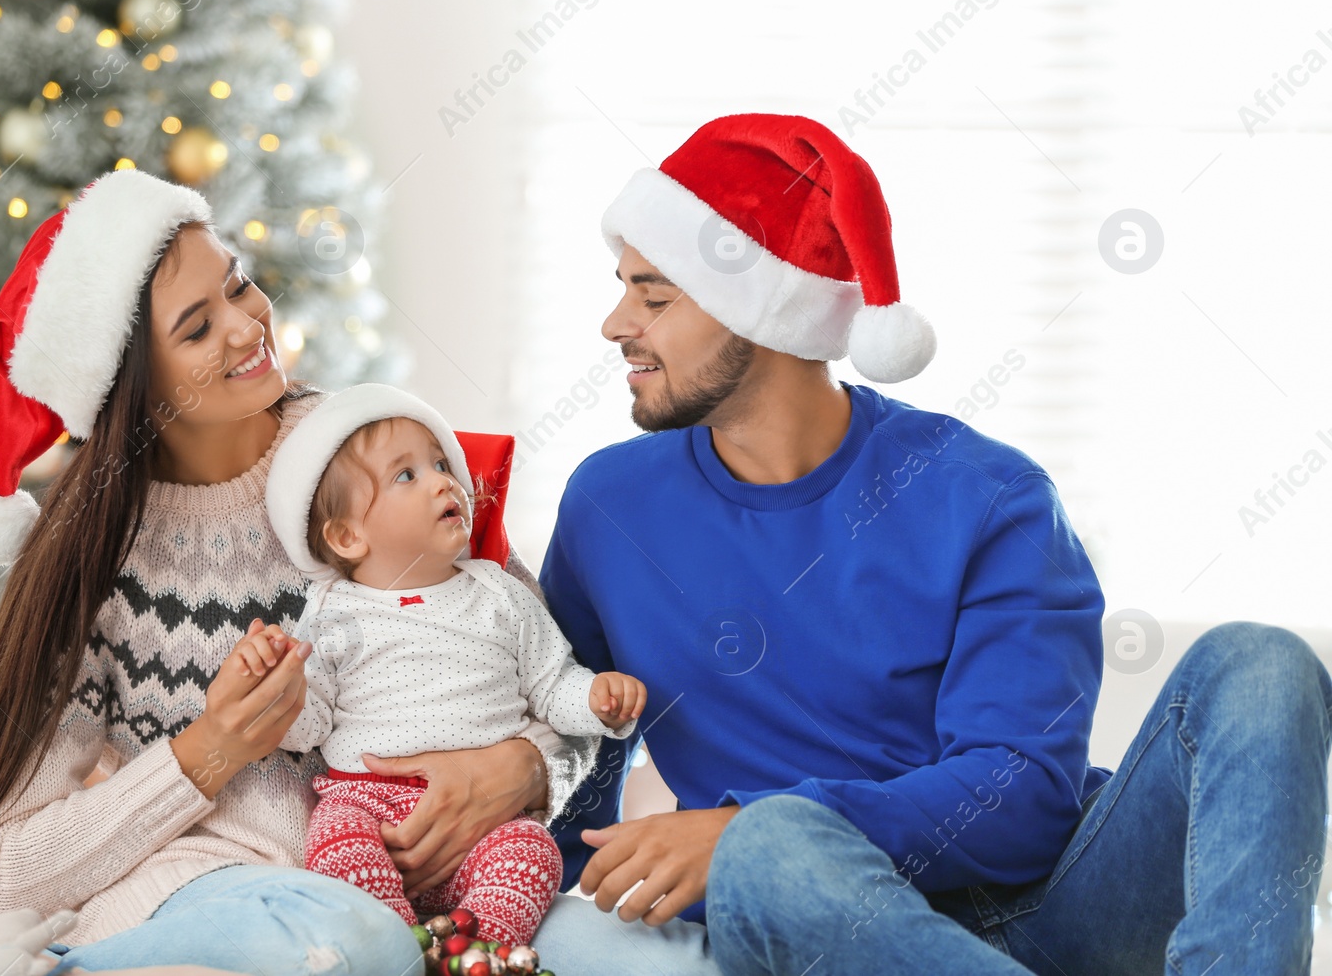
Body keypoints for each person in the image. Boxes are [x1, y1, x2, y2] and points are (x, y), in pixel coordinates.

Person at [539, 112, 1332, 974]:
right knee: (772, 850)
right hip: (817, 913)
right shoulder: (609, 507)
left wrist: (738, 828)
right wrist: (515, 792)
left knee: (1260, 663)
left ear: (759, 310)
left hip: (1062, 906)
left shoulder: (984, 493)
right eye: (624, 289)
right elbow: (571, 718)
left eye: (654, 296)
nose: (617, 323)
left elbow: (1024, 793)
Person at [0, 168, 614, 975]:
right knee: (354, 945)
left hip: (450, 885)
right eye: (195, 327)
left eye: (239, 285)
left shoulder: (379, 454)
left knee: (660, 963)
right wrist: (208, 751)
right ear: (131, 387)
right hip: (221, 889)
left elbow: (559, 689)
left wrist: (523, 767)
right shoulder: (90, 561)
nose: (247, 324)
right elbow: (3, 870)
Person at [260, 383, 646, 944]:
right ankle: (392, 946)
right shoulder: (331, 613)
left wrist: (595, 700)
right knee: (336, 843)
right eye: (406, 475)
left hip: (491, 822)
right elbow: (309, 724)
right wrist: (281, 688)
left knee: (534, 854)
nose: (444, 480)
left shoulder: (497, 592)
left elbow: (551, 683)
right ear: (347, 536)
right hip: (367, 803)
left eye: (441, 463)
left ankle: (477, 948)